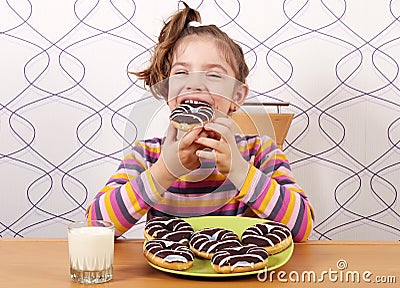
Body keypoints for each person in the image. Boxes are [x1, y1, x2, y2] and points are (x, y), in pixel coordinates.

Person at [86, 2, 314, 242]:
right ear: (167, 92)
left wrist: (240, 171)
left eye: (214, 75)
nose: (194, 84)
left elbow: (301, 227)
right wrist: (164, 171)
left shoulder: (261, 152)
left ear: (237, 96)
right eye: (182, 73)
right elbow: (95, 226)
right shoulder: (147, 155)